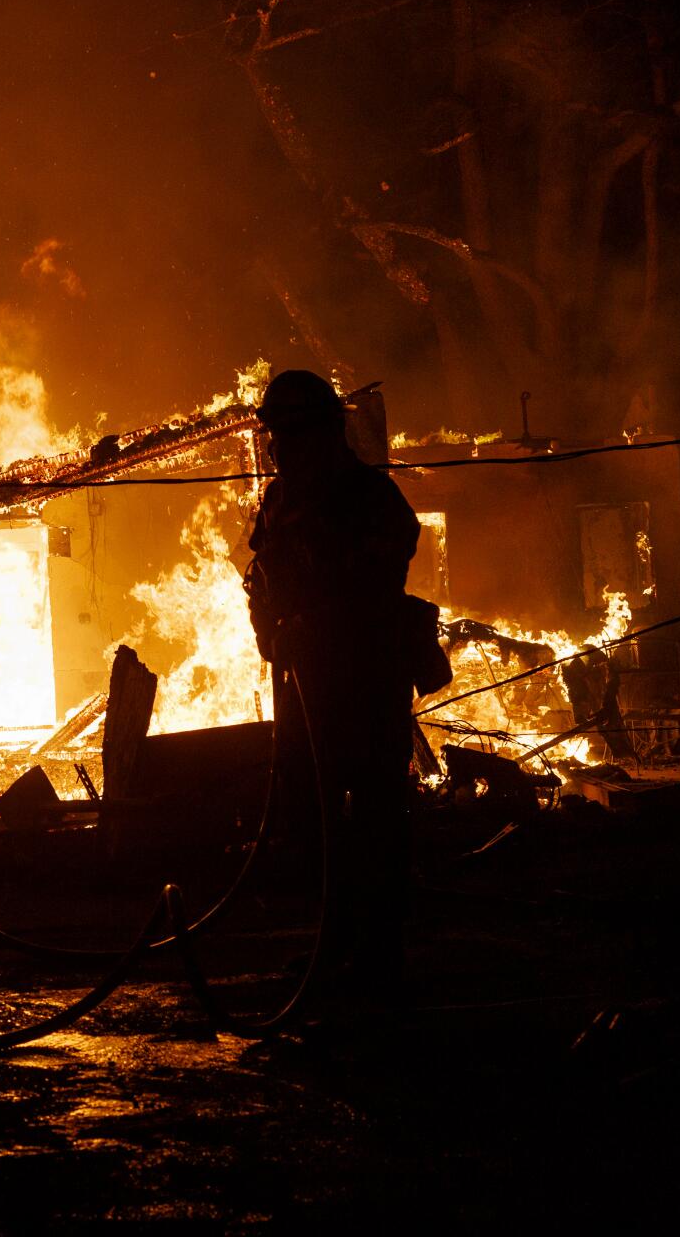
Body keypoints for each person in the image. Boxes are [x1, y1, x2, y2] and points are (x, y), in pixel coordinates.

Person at [244, 369, 421, 1011]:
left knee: (375, 817)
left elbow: (395, 549)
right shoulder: (278, 501)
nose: (278, 447)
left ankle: (378, 957)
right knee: (315, 821)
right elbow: (257, 577)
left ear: (324, 433)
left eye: (290, 434)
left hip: (364, 681)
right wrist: (270, 630)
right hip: (305, 686)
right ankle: (333, 943)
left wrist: (324, 612)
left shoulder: (368, 496)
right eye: (275, 435)